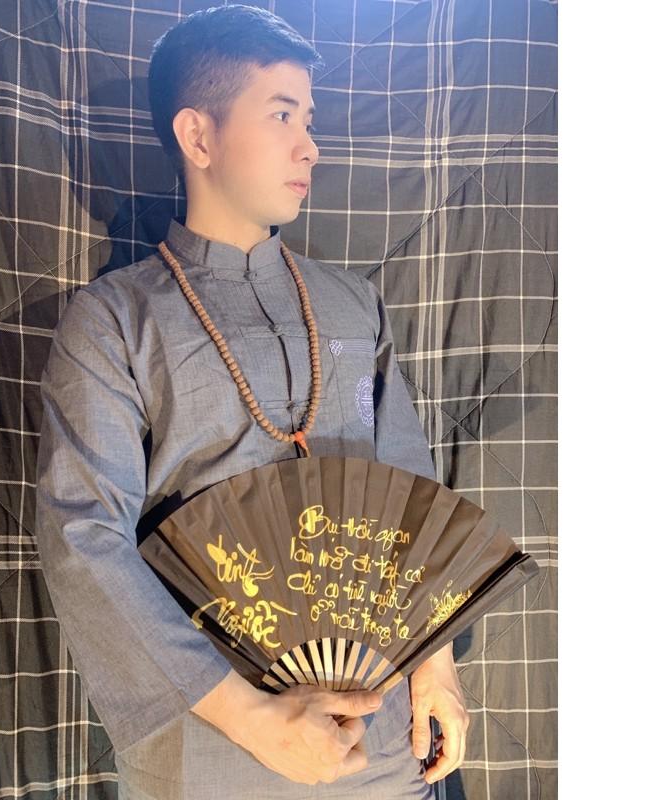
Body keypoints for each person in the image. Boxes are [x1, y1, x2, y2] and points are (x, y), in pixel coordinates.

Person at [35, 5, 468, 799]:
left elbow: (411, 492)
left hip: (384, 735)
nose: (310, 145)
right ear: (198, 137)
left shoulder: (354, 307)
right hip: (213, 743)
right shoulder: (114, 319)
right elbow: (83, 537)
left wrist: (435, 661)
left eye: (309, 119)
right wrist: (253, 719)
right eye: (281, 115)